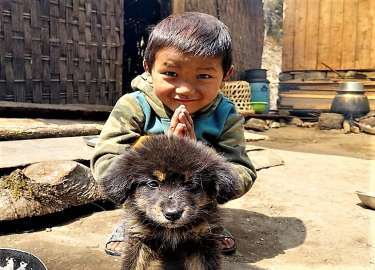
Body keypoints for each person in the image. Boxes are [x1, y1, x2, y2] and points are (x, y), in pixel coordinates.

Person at [91, 11, 257, 256]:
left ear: (226, 76)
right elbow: (105, 164)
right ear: (149, 68)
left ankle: (210, 227)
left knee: (204, 235)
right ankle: (132, 226)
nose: (185, 89)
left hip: (198, 207)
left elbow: (242, 171)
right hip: (147, 206)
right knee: (140, 227)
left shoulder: (226, 114)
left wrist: (198, 156)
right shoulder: (134, 105)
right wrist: (161, 149)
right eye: (171, 74)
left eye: (204, 76)